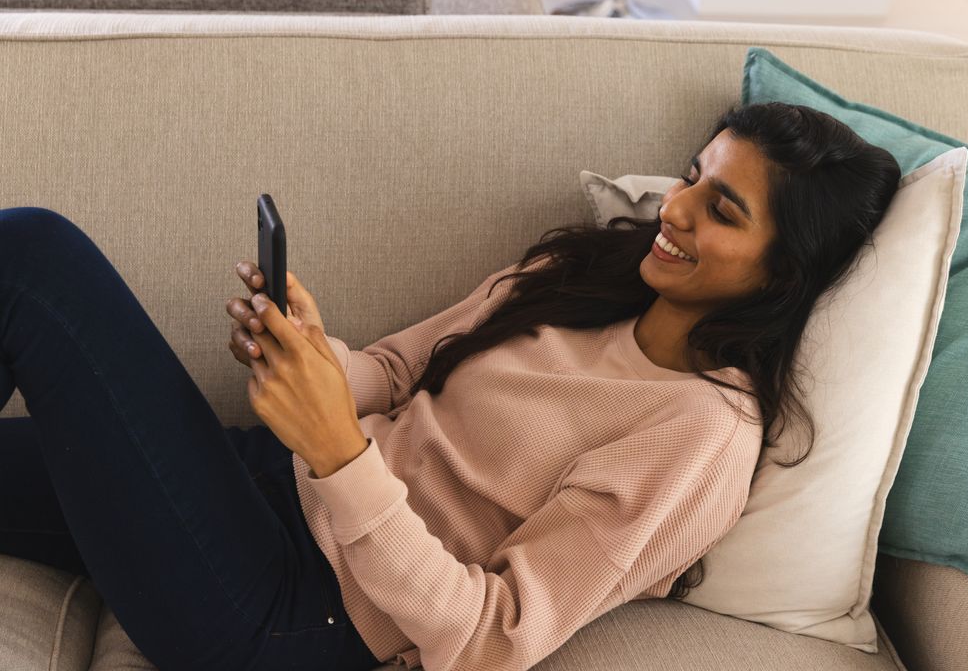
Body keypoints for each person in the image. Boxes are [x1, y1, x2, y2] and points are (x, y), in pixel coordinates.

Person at [0, 101, 900, 671]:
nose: (675, 208)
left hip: (297, 615)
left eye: (722, 211)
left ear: (782, 275)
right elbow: (395, 372)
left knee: (37, 260)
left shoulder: (698, 439)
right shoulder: (580, 272)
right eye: (694, 177)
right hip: (262, 488)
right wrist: (315, 360)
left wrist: (337, 452)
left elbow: (490, 639)